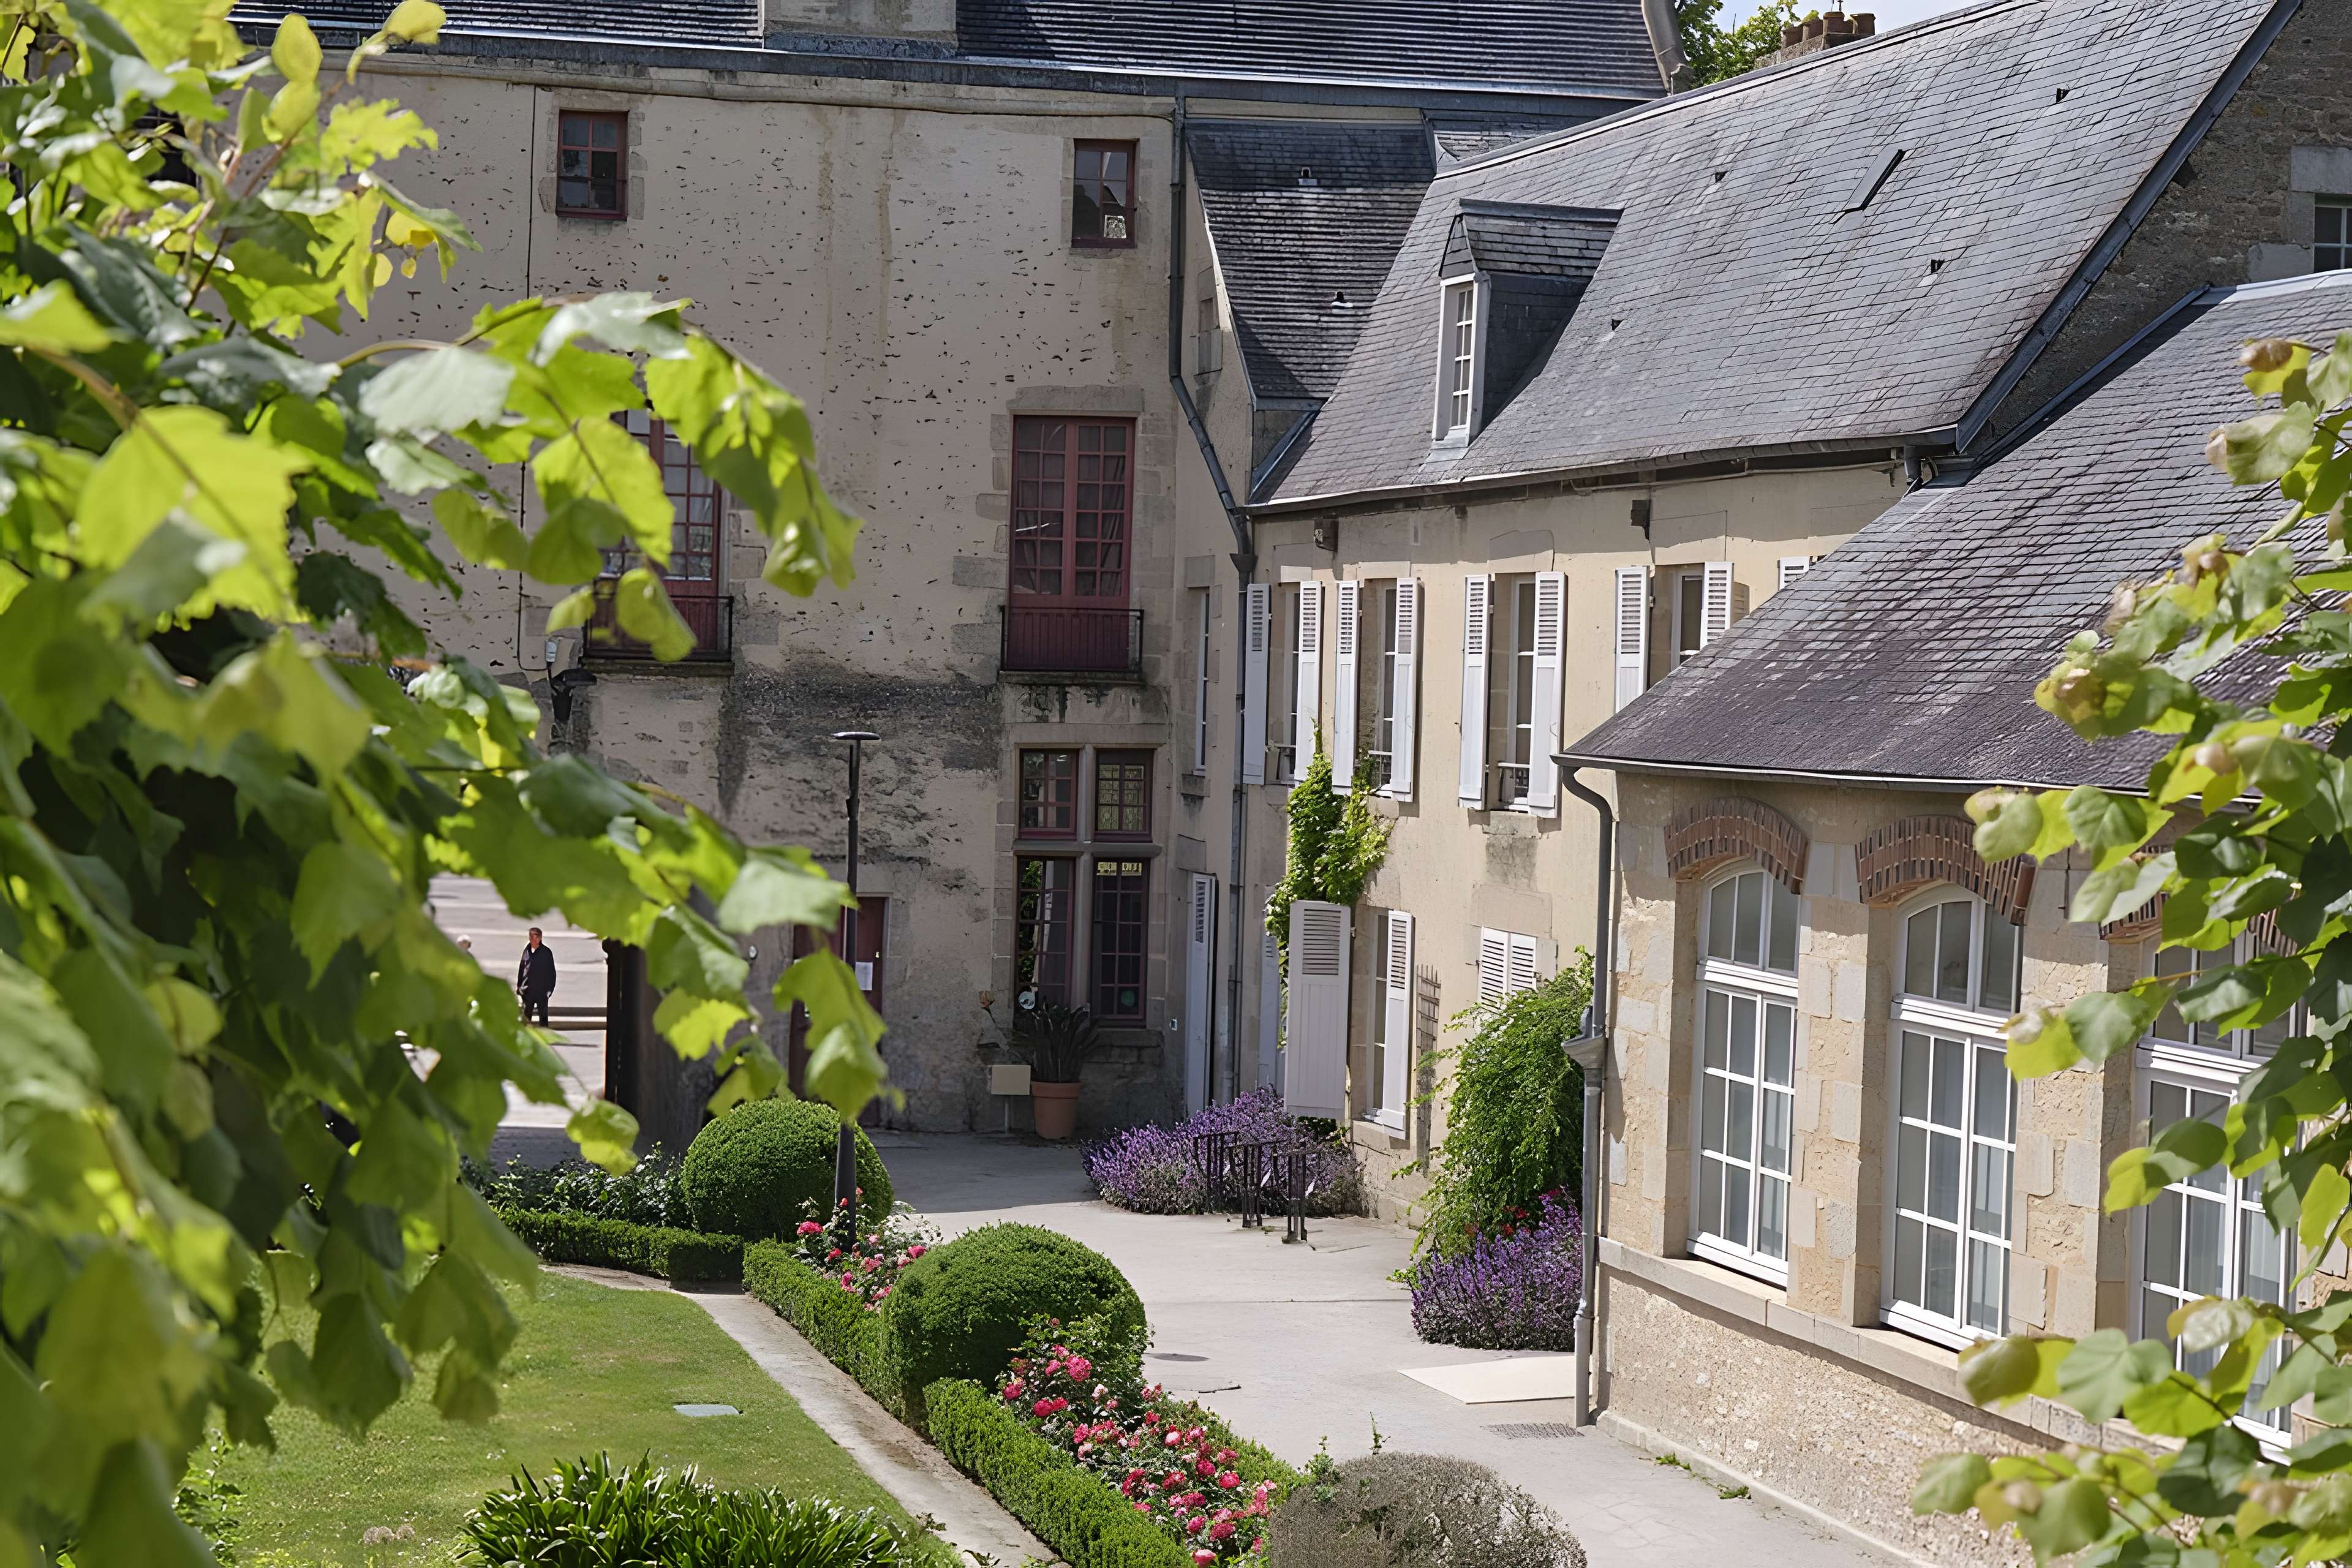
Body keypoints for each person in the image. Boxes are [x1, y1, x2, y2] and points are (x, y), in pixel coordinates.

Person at [517, 927, 556, 1027]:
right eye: (531, 937)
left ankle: (545, 1040)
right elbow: (522, 969)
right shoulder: (527, 951)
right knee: (526, 1019)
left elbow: (552, 973)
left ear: (540, 938)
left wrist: (549, 991)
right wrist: (520, 986)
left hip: (541, 992)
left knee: (543, 1019)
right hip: (528, 991)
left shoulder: (546, 953)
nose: (532, 940)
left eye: (535, 937)